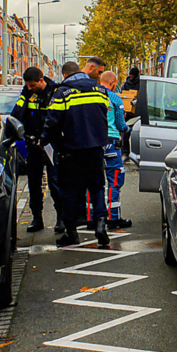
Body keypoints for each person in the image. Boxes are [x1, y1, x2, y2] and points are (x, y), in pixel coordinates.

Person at [43, 59, 112, 249]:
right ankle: (100, 224)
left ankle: (71, 233)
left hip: (71, 150)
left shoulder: (62, 93)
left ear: (65, 75)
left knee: (70, 192)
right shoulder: (101, 90)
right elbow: (102, 115)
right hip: (96, 148)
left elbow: (52, 122)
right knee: (97, 187)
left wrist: (44, 141)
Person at [11, 66, 64, 234]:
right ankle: (37, 218)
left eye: (32, 85)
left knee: (55, 183)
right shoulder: (27, 92)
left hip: (51, 144)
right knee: (34, 183)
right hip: (33, 145)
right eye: (28, 85)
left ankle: (61, 219)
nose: (30, 88)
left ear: (41, 80)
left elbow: (59, 119)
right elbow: (17, 114)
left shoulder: (55, 92)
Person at [99, 71, 131, 229]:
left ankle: (93, 218)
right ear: (112, 83)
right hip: (111, 142)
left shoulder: (92, 96)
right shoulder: (115, 98)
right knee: (114, 180)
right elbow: (120, 124)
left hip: (94, 142)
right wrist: (127, 128)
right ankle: (113, 218)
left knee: (94, 181)